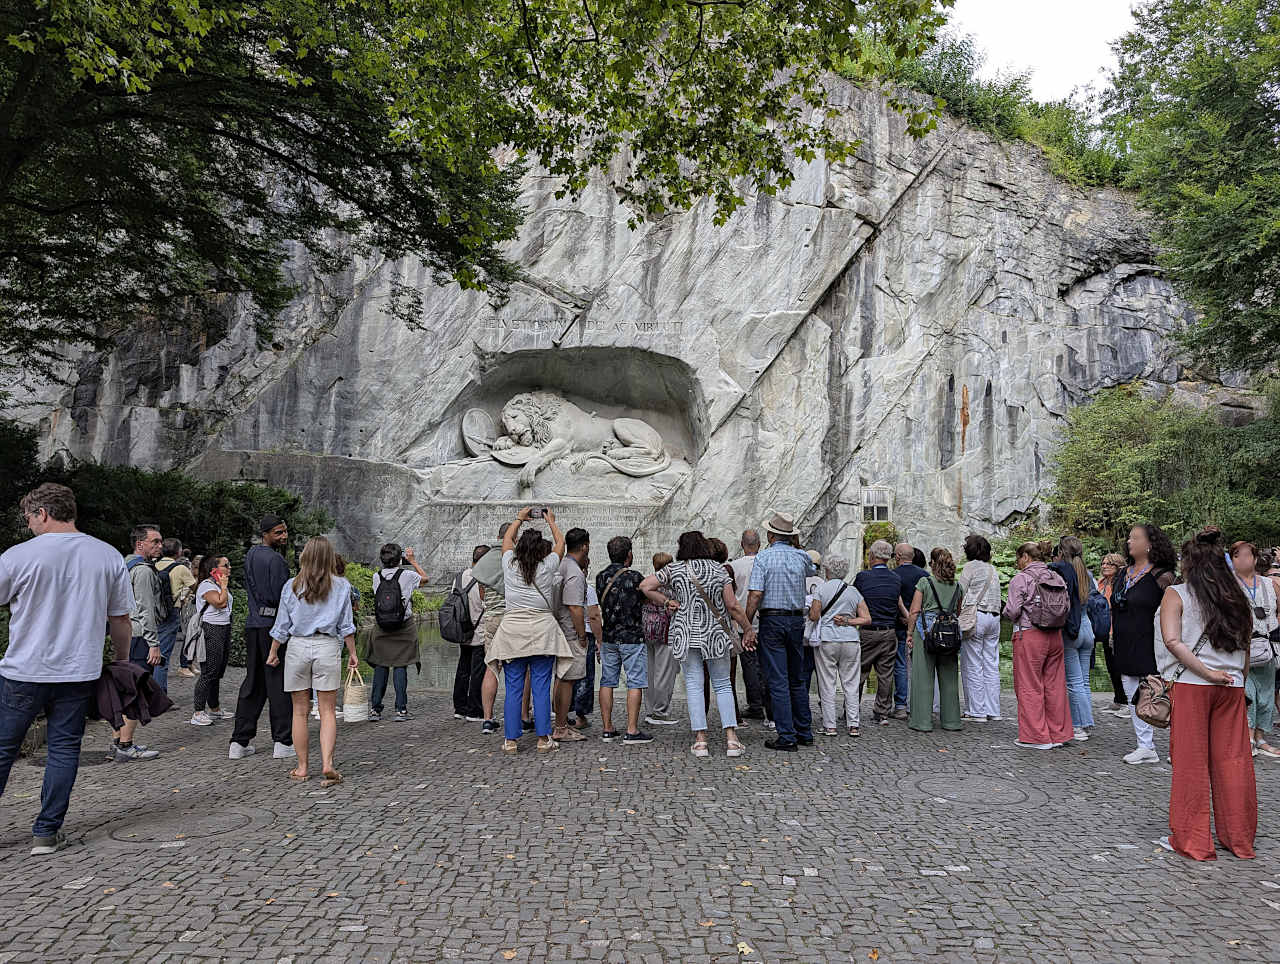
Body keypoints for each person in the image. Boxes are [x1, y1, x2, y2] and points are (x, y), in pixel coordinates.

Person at [0, 484, 135, 854]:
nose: (28, 524)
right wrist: (121, 661)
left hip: (23, 669)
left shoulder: (17, 556)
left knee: (2, 749)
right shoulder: (107, 555)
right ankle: (46, 833)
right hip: (79, 671)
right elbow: (121, 618)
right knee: (63, 750)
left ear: (42, 513)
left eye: (28, 517)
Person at [1156, 529, 1256, 860]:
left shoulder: (1177, 593)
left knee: (1191, 763)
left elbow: (1172, 641)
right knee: (1234, 762)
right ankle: (1238, 838)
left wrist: (1207, 672)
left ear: (1189, 564)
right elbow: (1245, 647)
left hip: (1192, 686)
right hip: (1232, 686)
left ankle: (1193, 840)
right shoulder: (1238, 597)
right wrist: (1235, 678)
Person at [641, 530, 755, 757]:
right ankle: (731, 739)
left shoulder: (675, 570)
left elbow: (645, 586)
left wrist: (667, 601)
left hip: (686, 632)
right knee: (722, 684)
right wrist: (748, 628)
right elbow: (732, 605)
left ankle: (701, 740)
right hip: (715, 634)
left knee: (694, 684)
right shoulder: (718, 570)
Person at [265, 536, 358, 785]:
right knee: (327, 711)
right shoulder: (342, 586)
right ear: (330, 558)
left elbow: (281, 625)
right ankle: (327, 763)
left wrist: (273, 651)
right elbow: (346, 625)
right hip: (327, 646)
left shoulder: (291, 586)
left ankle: (302, 767)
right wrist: (353, 653)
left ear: (304, 556)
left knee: (299, 711)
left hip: (297, 647)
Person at [487, 508, 574, 753]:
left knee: (514, 688)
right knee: (541, 687)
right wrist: (551, 521)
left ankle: (510, 740)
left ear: (519, 548)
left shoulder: (509, 565)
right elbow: (560, 543)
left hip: (513, 631)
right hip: (542, 632)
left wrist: (519, 518)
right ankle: (543, 738)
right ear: (540, 551)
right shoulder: (547, 566)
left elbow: (506, 541)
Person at [745, 512, 817, 751]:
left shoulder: (764, 558)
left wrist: (746, 624)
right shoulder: (802, 557)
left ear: (770, 535)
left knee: (777, 679)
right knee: (797, 678)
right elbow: (813, 569)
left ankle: (786, 735)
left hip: (772, 620)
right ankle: (804, 731)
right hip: (796, 621)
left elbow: (756, 594)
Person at [1110, 523, 1178, 764]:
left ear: (1149, 544)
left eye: (1135, 538)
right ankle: (1145, 746)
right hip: (1125, 642)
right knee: (1133, 696)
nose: (1129, 541)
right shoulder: (1122, 573)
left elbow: (1176, 610)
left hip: (1154, 644)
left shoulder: (1163, 576)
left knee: (1165, 695)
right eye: (1129, 537)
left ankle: (1178, 746)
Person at [230, 515, 295, 761]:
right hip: (273, 627)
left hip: (253, 624)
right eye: (278, 532)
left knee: (253, 682)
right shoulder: (277, 560)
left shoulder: (250, 555)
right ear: (265, 534)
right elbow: (283, 598)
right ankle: (282, 740)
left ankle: (239, 740)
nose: (284, 536)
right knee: (278, 683)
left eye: (285, 531)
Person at [1003, 542, 1074, 749]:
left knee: (1029, 685)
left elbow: (1013, 610)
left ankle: (1037, 737)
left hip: (1030, 635)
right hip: (1055, 636)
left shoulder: (1021, 578)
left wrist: (1005, 613)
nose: (1018, 563)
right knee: (1055, 686)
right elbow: (1066, 606)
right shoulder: (1056, 577)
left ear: (1026, 556)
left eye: (1018, 559)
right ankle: (1058, 734)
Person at [596, 535, 652, 745]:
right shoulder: (636, 578)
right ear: (629, 554)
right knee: (635, 681)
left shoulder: (601, 577)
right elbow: (645, 600)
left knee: (607, 681)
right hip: (632, 636)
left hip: (609, 636)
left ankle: (607, 728)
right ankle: (632, 729)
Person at [117, 524, 165, 760]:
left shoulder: (124, 565)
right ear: (140, 544)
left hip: (126, 634)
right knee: (136, 691)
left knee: (127, 689)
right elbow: (146, 609)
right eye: (154, 541)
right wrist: (154, 643)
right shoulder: (143, 571)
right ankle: (125, 745)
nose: (159, 546)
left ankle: (119, 741)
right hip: (140, 637)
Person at [364, 543, 426, 723]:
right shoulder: (407, 575)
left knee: (380, 665)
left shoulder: (376, 576)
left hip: (381, 627)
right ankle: (401, 709)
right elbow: (425, 578)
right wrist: (413, 561)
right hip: (404, 625)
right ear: (400, 559)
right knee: (401, 665)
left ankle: (375, 709)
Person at [809, 554, 869, 737]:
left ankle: (830, 725)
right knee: (851, 683)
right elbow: (866, 619)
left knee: (827, 683)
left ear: (827, 570)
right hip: (850, 639)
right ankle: (853, 725)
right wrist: (848, 621)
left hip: (828, 640)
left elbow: (814, 616)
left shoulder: (821, 589)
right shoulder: (853, 592)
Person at [1230, 541, 1280, 757]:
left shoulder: (1269, 583)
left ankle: (1260, 736)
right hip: (1241, 645)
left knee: (1267, 693)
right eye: (1237, 556)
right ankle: (1247, 736)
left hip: (1268, 643)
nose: (1243, 560)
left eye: (1247, 555)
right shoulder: (1228, 584)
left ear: (1256, 558)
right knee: (1247, 692)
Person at [906, 548, 964, 733]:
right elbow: (958, 611)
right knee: (949, 679)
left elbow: (914, 611)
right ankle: (952, 721)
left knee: (923, 677)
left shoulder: (924, 582)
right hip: (949, 634)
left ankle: (922, 721)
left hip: (927, 633)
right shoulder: (957, 586)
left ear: (932, 563)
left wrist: (909, 634)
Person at [852, 540, 901, 725]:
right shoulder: (896, 579)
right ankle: (882, 712)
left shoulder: (863, 577)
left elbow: (855, 602)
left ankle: (851, 708)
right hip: (889, 631)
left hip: (868, 631)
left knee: (859, 672)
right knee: (885, 673)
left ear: (872, 556)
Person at [549, 527, 591, 743]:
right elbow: (575, 608)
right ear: (584, 546)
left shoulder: (561, 564)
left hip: (559, 629)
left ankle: (560, 724)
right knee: (568, 681)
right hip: (570, 633)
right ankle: (561, 728)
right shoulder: (574, 572)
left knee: (561, 678)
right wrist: (582, 636)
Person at [1053, 536, 1095, 741]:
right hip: (1088, 628)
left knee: (1074, 682)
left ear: (1062, 553)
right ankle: (1087, 722)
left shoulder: (1064, 574)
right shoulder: (1088, 575)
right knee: (1085, 681)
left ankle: (1078, 725)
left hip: (1072, 630)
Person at [956, 535, 1002, 722]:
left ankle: (977, 711)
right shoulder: (993, 569)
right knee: (991, 664)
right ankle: (993, 710)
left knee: (973, 663)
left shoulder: (970, 567)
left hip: (976, 617)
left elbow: (960, 591)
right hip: (995, 616)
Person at [471, 523, 511, 734]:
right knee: (519, 668)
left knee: (491, 667)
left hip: (492, 616)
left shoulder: (485, 559)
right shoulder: (513, 557)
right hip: (512, 617)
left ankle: (487, 718)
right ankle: (522, 715)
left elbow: (482, 592)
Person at [730, 529, 770, 724]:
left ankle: (755, 705)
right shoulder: (767, 563)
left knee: (749, 665)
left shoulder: (733, 566)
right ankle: (768, 705)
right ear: (760, 544)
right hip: (766, 620)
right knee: (767, 665)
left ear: (741, 544)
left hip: (742, 621)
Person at [189, 555, 232, 726]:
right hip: (211, 630)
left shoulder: (217, 585)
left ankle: (215, 709)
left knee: (218, 672)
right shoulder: (206, 585)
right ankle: (198, 711)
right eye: (225, 565)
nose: (229, 568)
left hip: (224, 628)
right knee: (209, 672)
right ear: (214, 569)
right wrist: (223, 586)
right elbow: (220, 603)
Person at [642, 552, 680, 726]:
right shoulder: (672, 587)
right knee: (664, 673)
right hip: (665, 632)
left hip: (647, 630)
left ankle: (650, 709)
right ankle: (661, 711)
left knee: (650, 672)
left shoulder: (648, 584)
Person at [892, 543, 927, 720]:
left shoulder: (893, 576)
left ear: (898, 556)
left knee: (900, 664)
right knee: (921, 666)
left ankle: (900, 705)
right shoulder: (925, 576)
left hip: (899, 625)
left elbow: (891, 601)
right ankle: (921, 704)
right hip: (921, 626)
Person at [155, 537, 193, 683]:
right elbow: (195, 587)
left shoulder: (153, 565)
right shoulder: (181, 568)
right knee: (162, 656)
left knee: (151, 653)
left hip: (153, 612)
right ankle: (160, 698)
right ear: (179, 552)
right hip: (171, 612)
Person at [1097, 552, 1129, 715]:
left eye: (1109, 564)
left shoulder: (1122, 584)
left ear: (1118, 566)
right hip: (1104, 630)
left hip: (1117, 630)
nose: (1104, 566)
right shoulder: (1100, 583)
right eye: (1103, 564)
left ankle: (1128, 702)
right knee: (1111, 665)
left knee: (1120, 666)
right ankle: (1119, 699)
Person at [571, 584, 604, 728]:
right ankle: (580, 716)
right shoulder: (587, 589)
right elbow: (594, 615)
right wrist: (600, 639)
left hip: (565, 633)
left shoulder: (560, 584)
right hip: (585, 634)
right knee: (585, 675)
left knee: (564, 675)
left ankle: (562, 715)